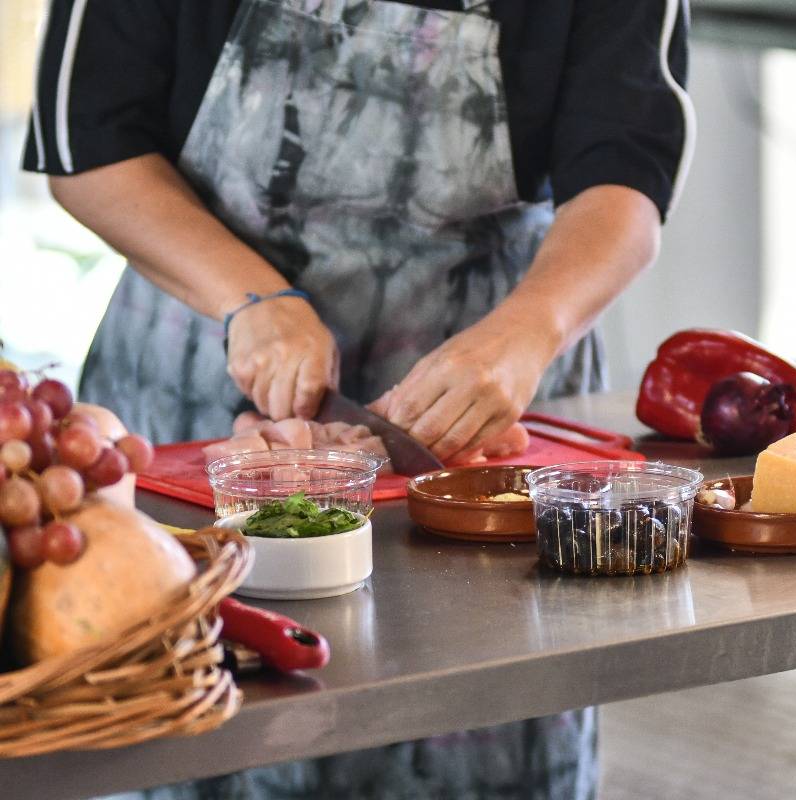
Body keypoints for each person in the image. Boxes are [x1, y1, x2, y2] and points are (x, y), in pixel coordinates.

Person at [25, 0, 692, 797]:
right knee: (191, 721)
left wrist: (529, 328)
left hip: (486, 399)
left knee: (484, 717)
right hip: (205, 374)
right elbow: (90, 142)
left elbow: (625, 172)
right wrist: (251, 300)